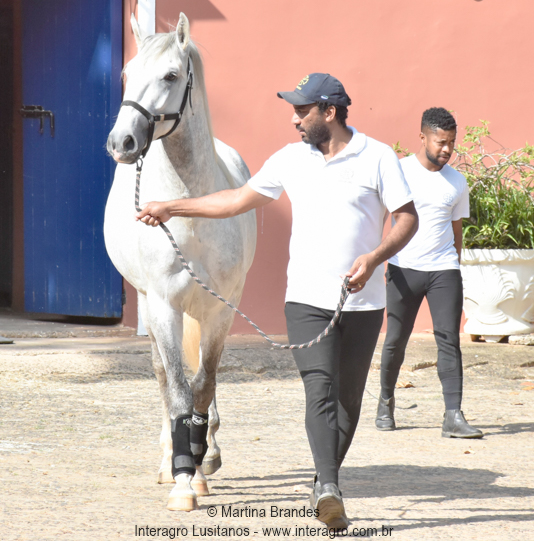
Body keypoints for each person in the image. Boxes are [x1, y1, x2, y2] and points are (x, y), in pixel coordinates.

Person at [136, 73, 418, 530]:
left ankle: (323, 478)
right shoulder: (291, 159)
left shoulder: (378, 157)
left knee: (348, 403)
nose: (294, 119)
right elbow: (234, 200)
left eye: (302, 111)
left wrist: (374, 257)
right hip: (305, 300)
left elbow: (407, 218)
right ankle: (329, 488)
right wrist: (173, 207)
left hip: (363, 302)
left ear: (329, 112)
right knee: (320, 392)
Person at [375, 107, 483, 438]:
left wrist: (455, 266)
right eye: (440, 142)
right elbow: (380, 217)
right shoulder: (399, 172)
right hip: (403, 269)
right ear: (422, 137)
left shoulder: (457, 181)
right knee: (395, 340)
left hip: (443, 270)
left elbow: (457, 229)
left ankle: (453, 415)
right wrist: (377, 260)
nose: (447, 150)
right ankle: (385, 400)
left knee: (449, 340)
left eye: (451, 143)